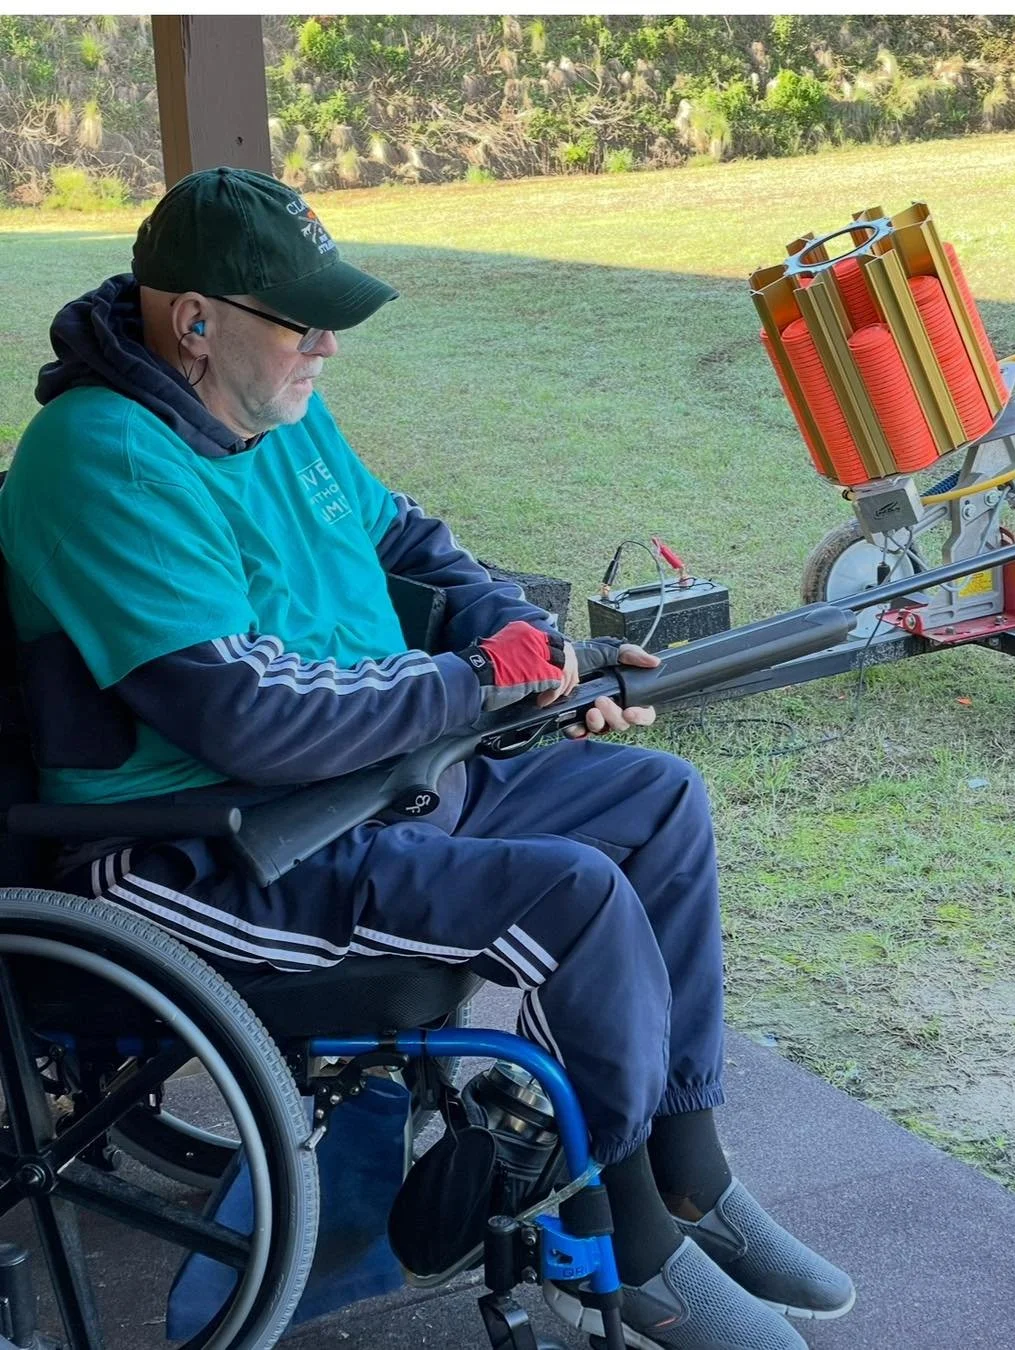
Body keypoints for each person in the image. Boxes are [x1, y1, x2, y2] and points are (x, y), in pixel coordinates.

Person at [0, 168, 854, 1350]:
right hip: (199, 847)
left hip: (357, 790)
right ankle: (618, 1236)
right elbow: (244, 712)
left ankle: (688, 1162)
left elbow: (408, 541)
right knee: (572, 897)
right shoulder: (104, 458)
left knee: (653, 802)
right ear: (195, 321)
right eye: (305, 322)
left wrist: (540, 651)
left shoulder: (278, 416)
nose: (329, 347)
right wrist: (478, 681)